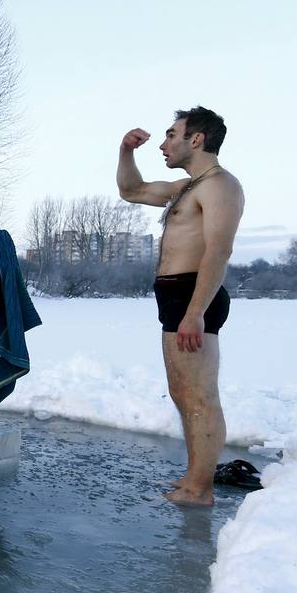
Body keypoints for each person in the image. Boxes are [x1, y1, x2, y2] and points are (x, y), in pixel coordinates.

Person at [117, 107, 244, 506]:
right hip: (175, 296)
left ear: (197, 139)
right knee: (182, 393)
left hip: (195, 295)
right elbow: (131, 191)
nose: (163, 143)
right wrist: (125, 151)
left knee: (200, 395)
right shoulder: (185, 188)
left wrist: (195, 311)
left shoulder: (220, 186)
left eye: (172, 135)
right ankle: (193, 479)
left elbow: (219, 251)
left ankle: (200, 489)